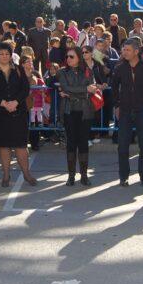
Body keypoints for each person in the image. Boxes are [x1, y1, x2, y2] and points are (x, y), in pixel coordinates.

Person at [0, 42, 33, 187]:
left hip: (18, 112)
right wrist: (4, 103)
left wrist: (16, 102)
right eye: (1, 54)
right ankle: (6, 175)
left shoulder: (18, 70)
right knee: (3, 146)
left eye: (7, 54)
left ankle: (27, 174)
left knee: (21, 145)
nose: (4, 56)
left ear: (11, 55)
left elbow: (25, 88)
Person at [110, 38, 143, 187]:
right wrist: (117, 106)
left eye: (128, 50)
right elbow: (114, 88)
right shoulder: (119, 68)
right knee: (122, 145)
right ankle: (124, 176)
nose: (124, 52)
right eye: (123, 49)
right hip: (125, 110)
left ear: (136, 51)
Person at [57, 46, 97, 186]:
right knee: (71, 143)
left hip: (85, 111)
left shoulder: (87, 71)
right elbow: (66, 88)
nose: (68, 59)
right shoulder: (62, 72)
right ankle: (71, 176)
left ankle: (84, 176)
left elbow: (92, 91)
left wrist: (73, 92)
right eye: (67, 56)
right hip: (69, 110)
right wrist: (84, 90)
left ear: (79, 57)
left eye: (71, 56)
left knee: (83, 142)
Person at [21, 55, 47, 150]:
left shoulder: (36, 77)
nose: (31, 63)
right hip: (22, 105)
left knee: (34, 125)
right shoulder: (19, 76)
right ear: (22, 64)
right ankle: (22, 144)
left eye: (31, 61)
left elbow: (43, 88)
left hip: (34, 105)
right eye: (28, 61)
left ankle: (35, 143)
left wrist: (43, 89)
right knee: (23, 125)